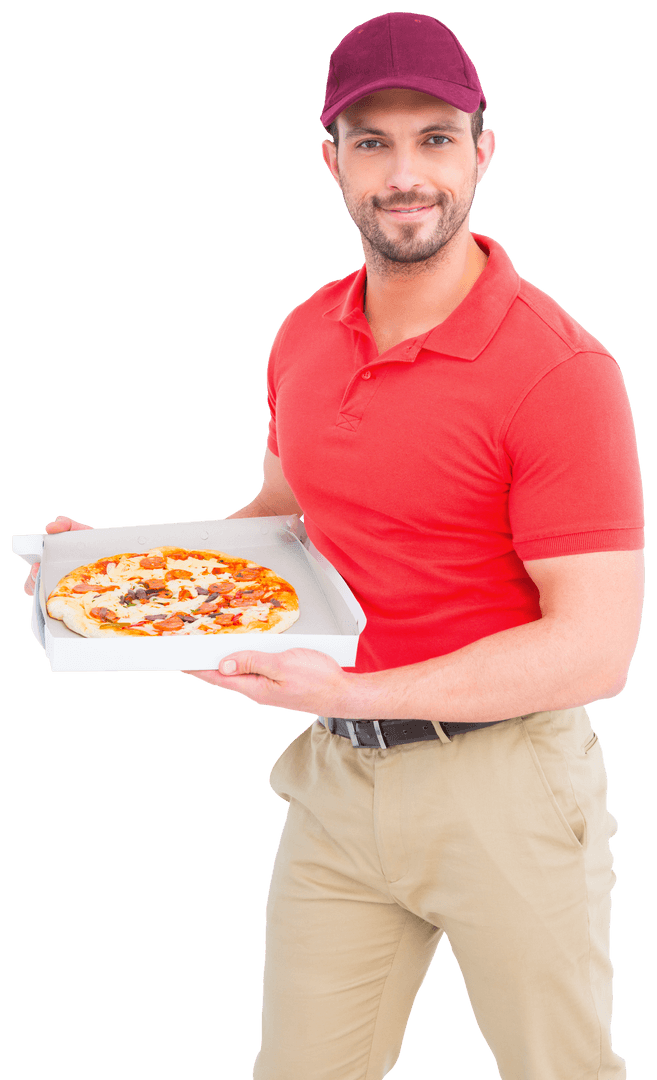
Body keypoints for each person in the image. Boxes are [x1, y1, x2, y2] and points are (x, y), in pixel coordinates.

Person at [25, 12, 645, 1080]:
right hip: (334, 789)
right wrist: (120, 567)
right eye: (373, 142)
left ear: (483, 151)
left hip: (504, 789)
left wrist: (354, 691)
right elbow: (286, 515)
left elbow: (598, 651)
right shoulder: (305, 332)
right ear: (333, 162)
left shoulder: (562, 373)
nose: (406, 174)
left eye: (435, 138)